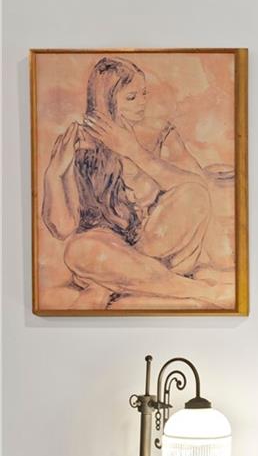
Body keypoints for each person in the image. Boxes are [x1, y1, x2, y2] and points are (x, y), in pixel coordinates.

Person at [39, 57, 234, 309]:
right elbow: (62, 228)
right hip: (104, 250)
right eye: (131, 97)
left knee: (194, 196)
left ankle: (109, 284)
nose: (142, 102)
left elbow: (195, 187)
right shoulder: (79, 142)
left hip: (156, 247)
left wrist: (133, 151)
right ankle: (195, 290)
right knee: (77, 250)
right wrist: (54, 174)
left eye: (143, 94)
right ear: (105, 101)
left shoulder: (160, 133)